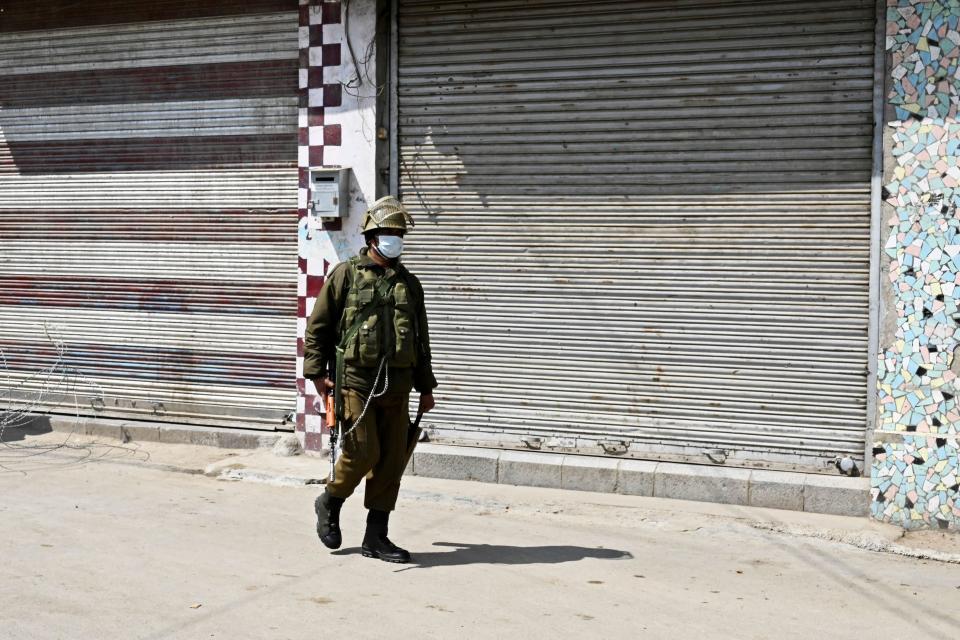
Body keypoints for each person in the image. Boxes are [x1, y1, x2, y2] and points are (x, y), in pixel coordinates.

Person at [304, 196, 437, 563]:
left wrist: (426, 386)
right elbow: (318, 328)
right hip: (357, 383)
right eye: (389, 232)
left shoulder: (410, 284)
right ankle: (329, 501)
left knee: (393, 460)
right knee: (364, 453)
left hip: (399, 384)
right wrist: (317, 375)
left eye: (400, 233)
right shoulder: (345, 274)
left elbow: (421, 339)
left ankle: (376, 537)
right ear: (373, 236)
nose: (395, 238)